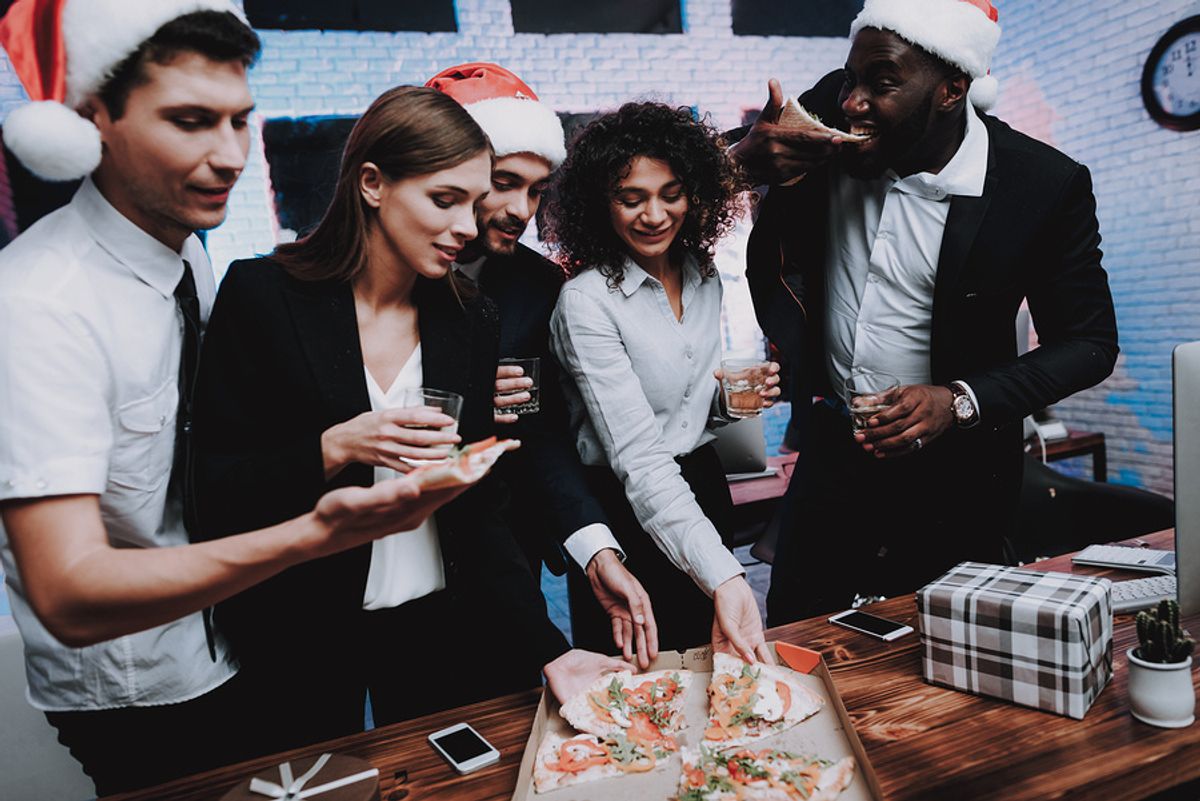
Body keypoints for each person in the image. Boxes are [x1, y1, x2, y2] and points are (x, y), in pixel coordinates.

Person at [0, 2, 469, 794]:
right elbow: (68, 592)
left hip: (238, 638)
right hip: (141, 687)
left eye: (240, 122)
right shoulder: (38, 302)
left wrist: (334, 443)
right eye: (190, 121)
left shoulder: (189, 259)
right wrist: (309, 535)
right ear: (93, 117)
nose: (229, 156)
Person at [189, 85, 628, 754]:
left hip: (438, 624)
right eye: (444, 200)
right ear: (372, 183)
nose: (465, 226)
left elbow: (481, 504)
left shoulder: (469, 318)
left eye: (473, 204)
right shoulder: (261, 296)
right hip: (297, 626)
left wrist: (551, 650)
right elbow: (211, 492)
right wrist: (333, 447)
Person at [729, 0, 1119, 624]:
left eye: (880, 85)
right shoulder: (837, 103)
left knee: (942, 652)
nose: (853, 102)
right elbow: (726, 164)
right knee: (800, 637)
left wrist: (959, 400)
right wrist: (742, 163)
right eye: (850, 80)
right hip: (832, 456)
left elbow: (1091, 342)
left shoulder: (1040, 185)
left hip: (960, 476)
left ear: (952, 90)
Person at [426, 62, 659, 668]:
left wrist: (593, 548)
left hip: (503, 549)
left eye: (536, 190)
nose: (520, 209)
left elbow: (544, 429)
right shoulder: (359, 284)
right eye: (503, 182)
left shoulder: (537, 285)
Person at [546, 102, 778, 664]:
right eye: (632, 198)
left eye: (671, 193)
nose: (655, 214)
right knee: (641, 688)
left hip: (701, 485)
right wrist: (723, 574)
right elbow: (641, 458)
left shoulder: (705, 275)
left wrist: (725, 404)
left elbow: (682, 408)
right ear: (600, 205)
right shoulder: (585, 302)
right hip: (623, 510)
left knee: (720, 670)